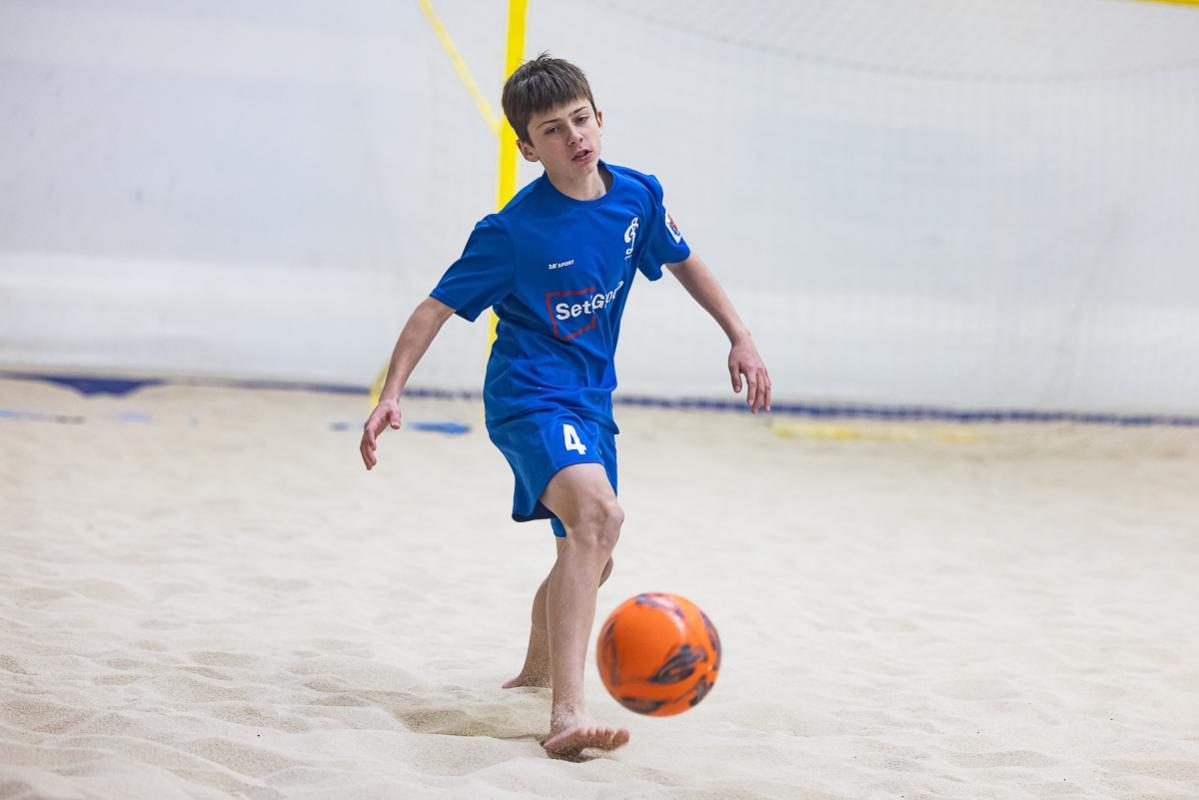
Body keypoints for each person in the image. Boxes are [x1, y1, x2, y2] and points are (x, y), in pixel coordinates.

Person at [359, 53, 771, 758]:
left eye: (580, 119)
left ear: (600, 119)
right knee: (600, 518)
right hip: (526, 395)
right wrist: (391, 393)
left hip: (590, 401)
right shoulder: (511, 232)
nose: (573, 136)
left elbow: (684, 260)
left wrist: (741, 337)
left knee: (592, 554)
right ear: (528, 148)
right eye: (552, 129)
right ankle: (566, 717)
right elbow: (433, 308)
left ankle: (535, 672)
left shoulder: (636, 196)